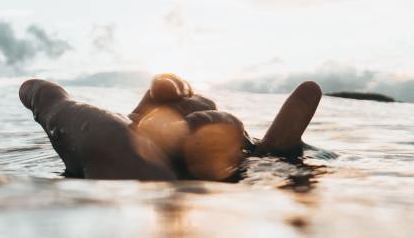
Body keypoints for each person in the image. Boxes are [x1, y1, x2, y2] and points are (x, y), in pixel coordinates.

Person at [19, 73, 322, 183]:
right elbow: (34, 89)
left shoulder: (106, 140)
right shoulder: (109, 138)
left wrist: (268, 162)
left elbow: (34, 89)